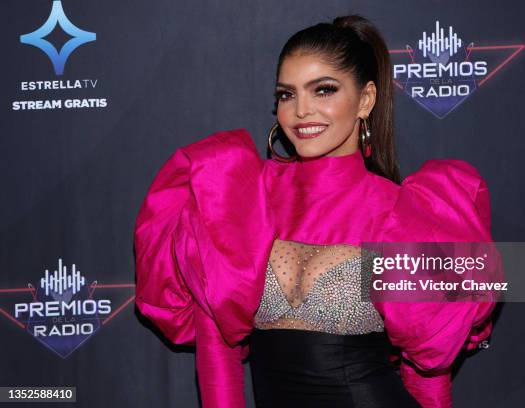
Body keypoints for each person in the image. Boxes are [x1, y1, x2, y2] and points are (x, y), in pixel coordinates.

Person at [134, 14, 497, 408]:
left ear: (365, 100)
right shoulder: (240, 197)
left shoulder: (404, 212)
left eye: (323, 90)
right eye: (287, 95)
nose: (301, 111)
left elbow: (426, 372)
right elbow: (217, 349)